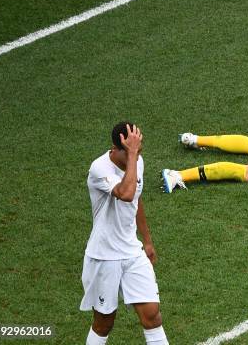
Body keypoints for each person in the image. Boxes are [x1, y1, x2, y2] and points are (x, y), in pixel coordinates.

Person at [81, 123, 169, 345]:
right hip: (104, 256)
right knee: (104, 322)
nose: (136, 155)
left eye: (139, 150)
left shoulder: (136, 161)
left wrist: (147, 242)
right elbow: (126, 193)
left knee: (152, 315)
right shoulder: (99, 168)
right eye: (130, 150)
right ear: (114, 148)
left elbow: (137, 200)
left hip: (131, 251)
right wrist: (132, 156)